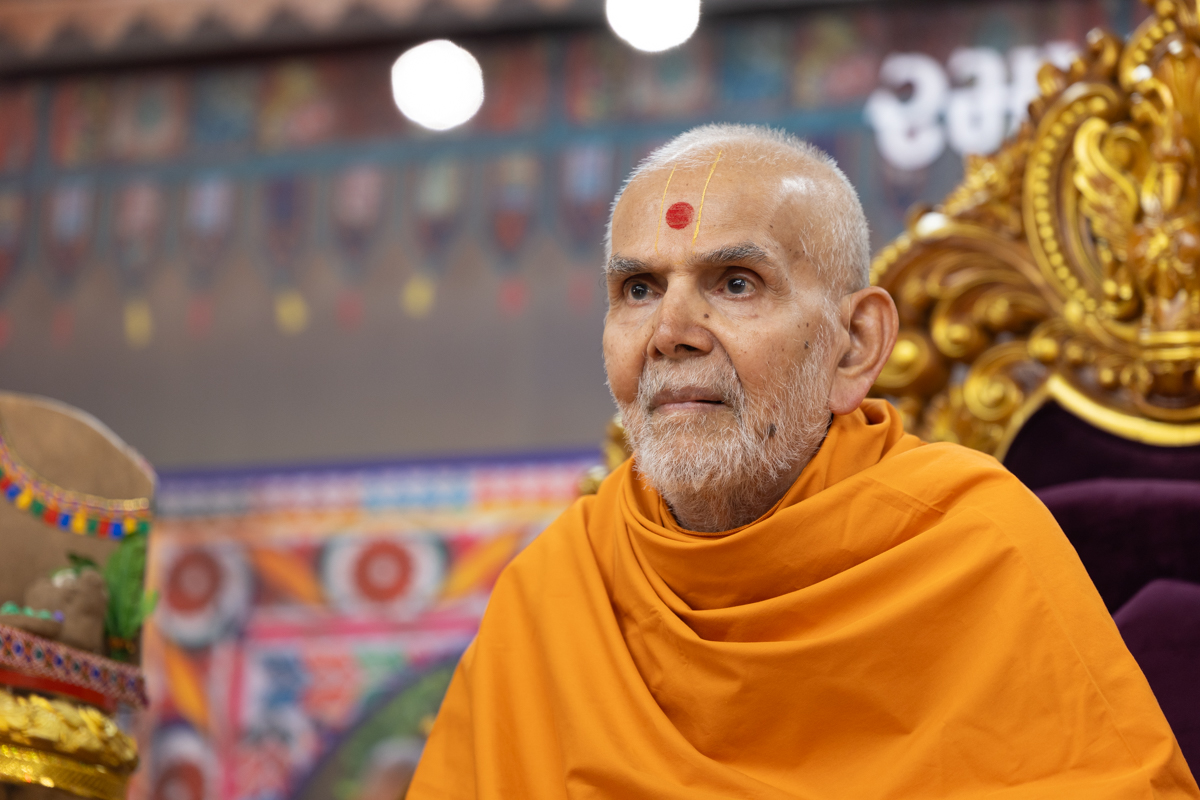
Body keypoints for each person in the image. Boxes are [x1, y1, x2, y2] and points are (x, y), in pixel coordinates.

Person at [407, 124, 1199, 798]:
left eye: (736, 283)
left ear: (854, 345)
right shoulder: (555, 591)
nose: (670, 333)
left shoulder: (975, 546)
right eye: (640, 289)